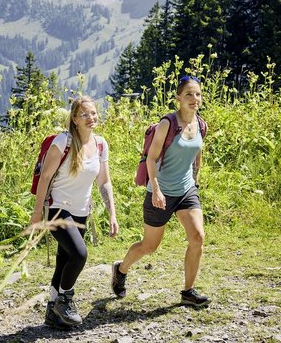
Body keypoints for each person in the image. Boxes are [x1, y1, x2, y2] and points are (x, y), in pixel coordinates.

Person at [111, 75, 210, 308]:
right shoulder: (167, 124)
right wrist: (156, 189)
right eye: (188, 94)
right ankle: (121, 270)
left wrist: (195, 180)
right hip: (161, 192)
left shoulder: (201, 124)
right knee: (149, 246)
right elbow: (152, 159)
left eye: (197, 94)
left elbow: (197, 153)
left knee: (198, 237)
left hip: (186, 190)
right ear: (178, 98)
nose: (194, 99)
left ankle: (188, 292)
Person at [31, 96, 119, 329]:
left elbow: (104, 182)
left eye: (93, 113)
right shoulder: (63, 142)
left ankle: (53, 312)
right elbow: (45, 178)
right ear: (74, 119)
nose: (91, 118)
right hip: (58, 208)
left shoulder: (100, 144)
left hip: (81, 212)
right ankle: (65, 300)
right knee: (80, 255)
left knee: (64, 261)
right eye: (84, 114)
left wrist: (112, 214)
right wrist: (37, 213)